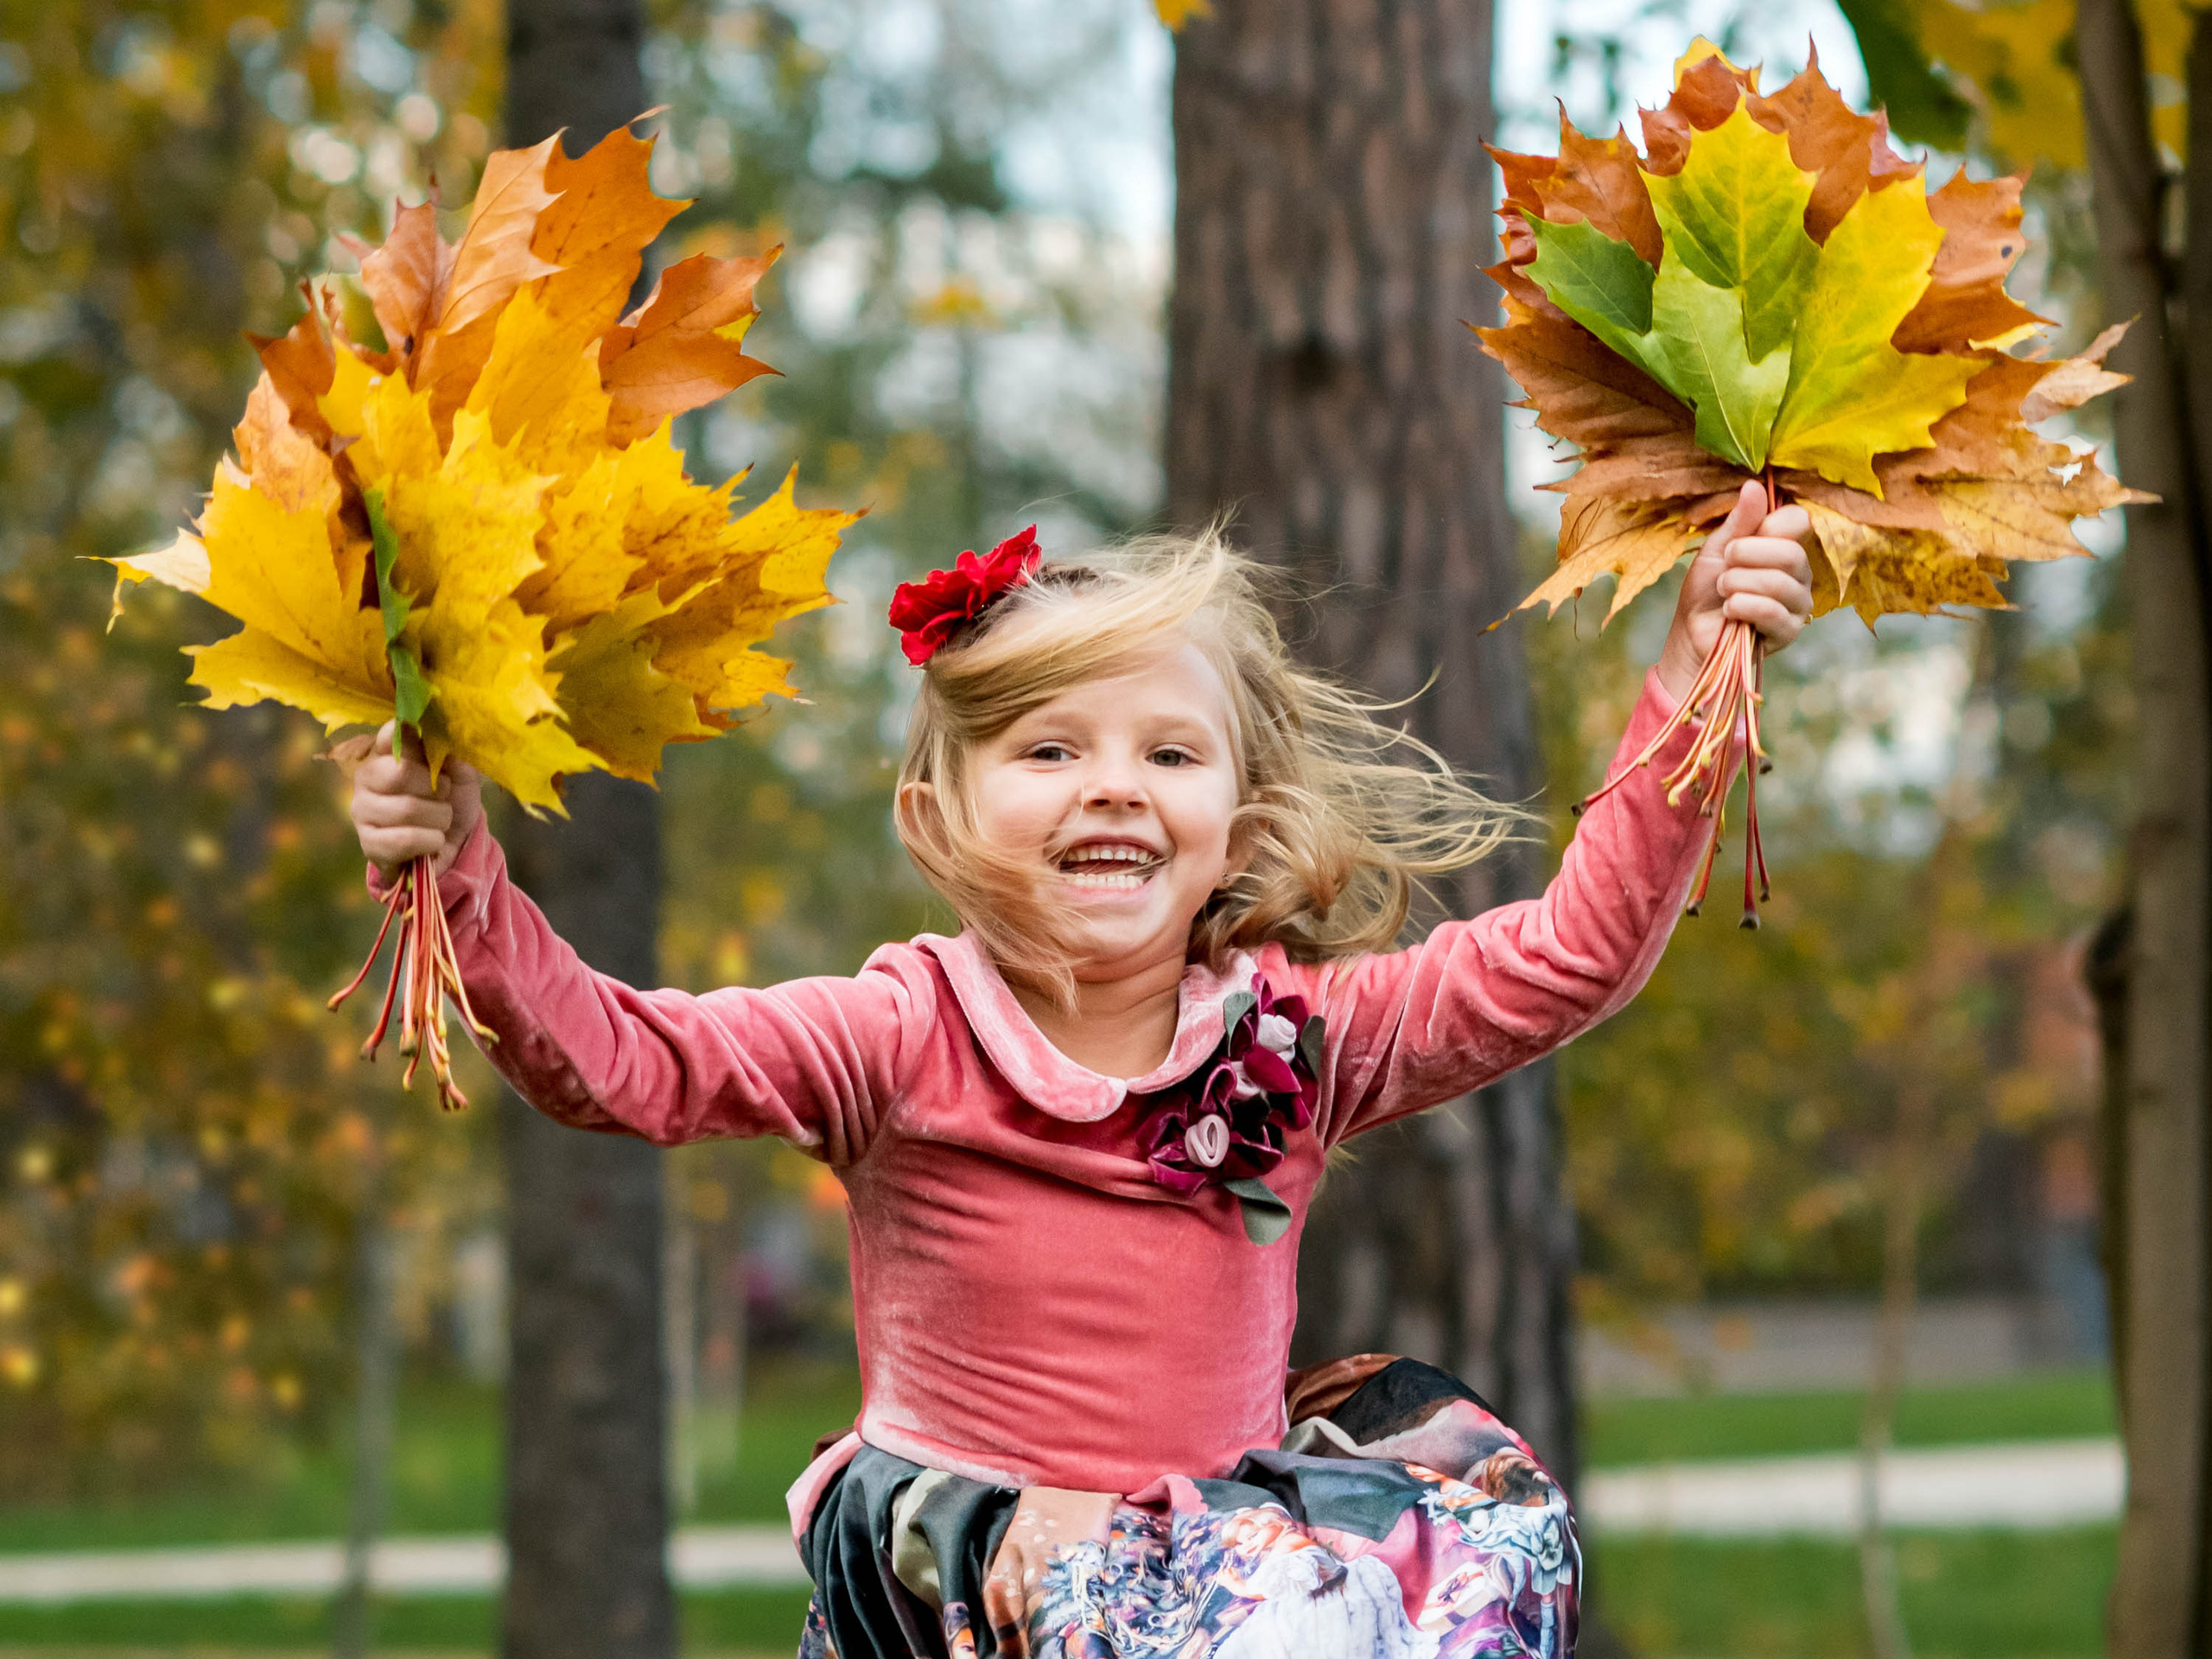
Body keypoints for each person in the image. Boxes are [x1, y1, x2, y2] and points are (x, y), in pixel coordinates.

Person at [350, 481, 1814, 1659]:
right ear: (943, 818)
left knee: (1444, 1564)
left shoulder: (1296, 1046)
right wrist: (458, 872)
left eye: (1170, 755)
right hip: (967, 1590)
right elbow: (621, 1063)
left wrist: (1695, 675)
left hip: (1217, 1596)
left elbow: (1568, 956)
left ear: (1237, 824)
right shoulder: (895, 1039)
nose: (1114, 783)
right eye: (1050, 750)